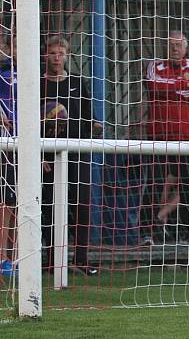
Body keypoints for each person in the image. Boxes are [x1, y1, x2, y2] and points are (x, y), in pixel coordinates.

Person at [41, 35, 103, 276]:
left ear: (67, 55)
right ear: (45, 55)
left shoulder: (77, 82)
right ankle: (52, 259)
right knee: (50, 206)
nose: (56, 58)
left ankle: (81, 259)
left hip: (77, 153)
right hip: (49, 156)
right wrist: (40, 156)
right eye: (52, 53)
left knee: (82, 205)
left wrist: (96, 126)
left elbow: (88, 115)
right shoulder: (39, 84)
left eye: (60, 53)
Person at [143, 31, 189, 245]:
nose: (175, 49)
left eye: (179, 45)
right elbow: (152, 85)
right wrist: (181, 87)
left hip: (187, 137)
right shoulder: (155, 66)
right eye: (171, 45)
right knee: (155, 183)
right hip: (159, 137)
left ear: (186, 48)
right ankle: (149, 232)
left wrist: (170, 88)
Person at [0, 35, 16, 276]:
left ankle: (13, 257)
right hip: (5, 137)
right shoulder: (3, 71)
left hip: (20, 139)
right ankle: (2, 256)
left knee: (15, 200)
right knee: (4, 201)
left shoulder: (28, 71)